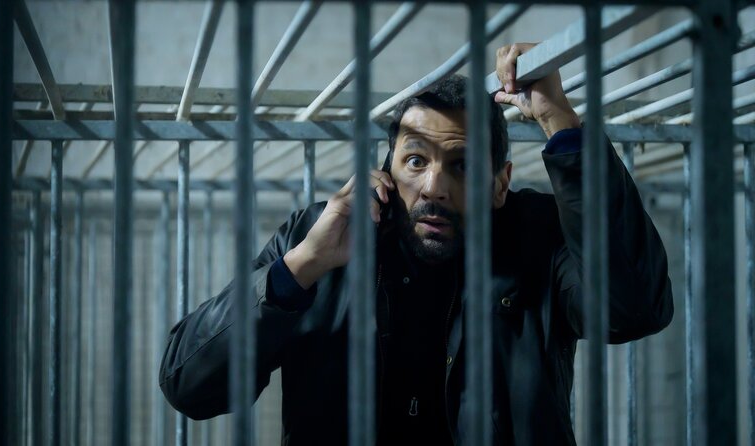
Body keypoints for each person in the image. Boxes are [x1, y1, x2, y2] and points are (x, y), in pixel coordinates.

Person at [159, 42, 674, 445]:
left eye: (462, 165)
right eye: (415, 160)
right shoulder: (318, 235)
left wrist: (559, 119)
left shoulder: (537, 234)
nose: (434, 187)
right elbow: (189, 386)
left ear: (500, 184)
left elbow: (634, 309)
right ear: (386, 170)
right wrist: (303, 266)